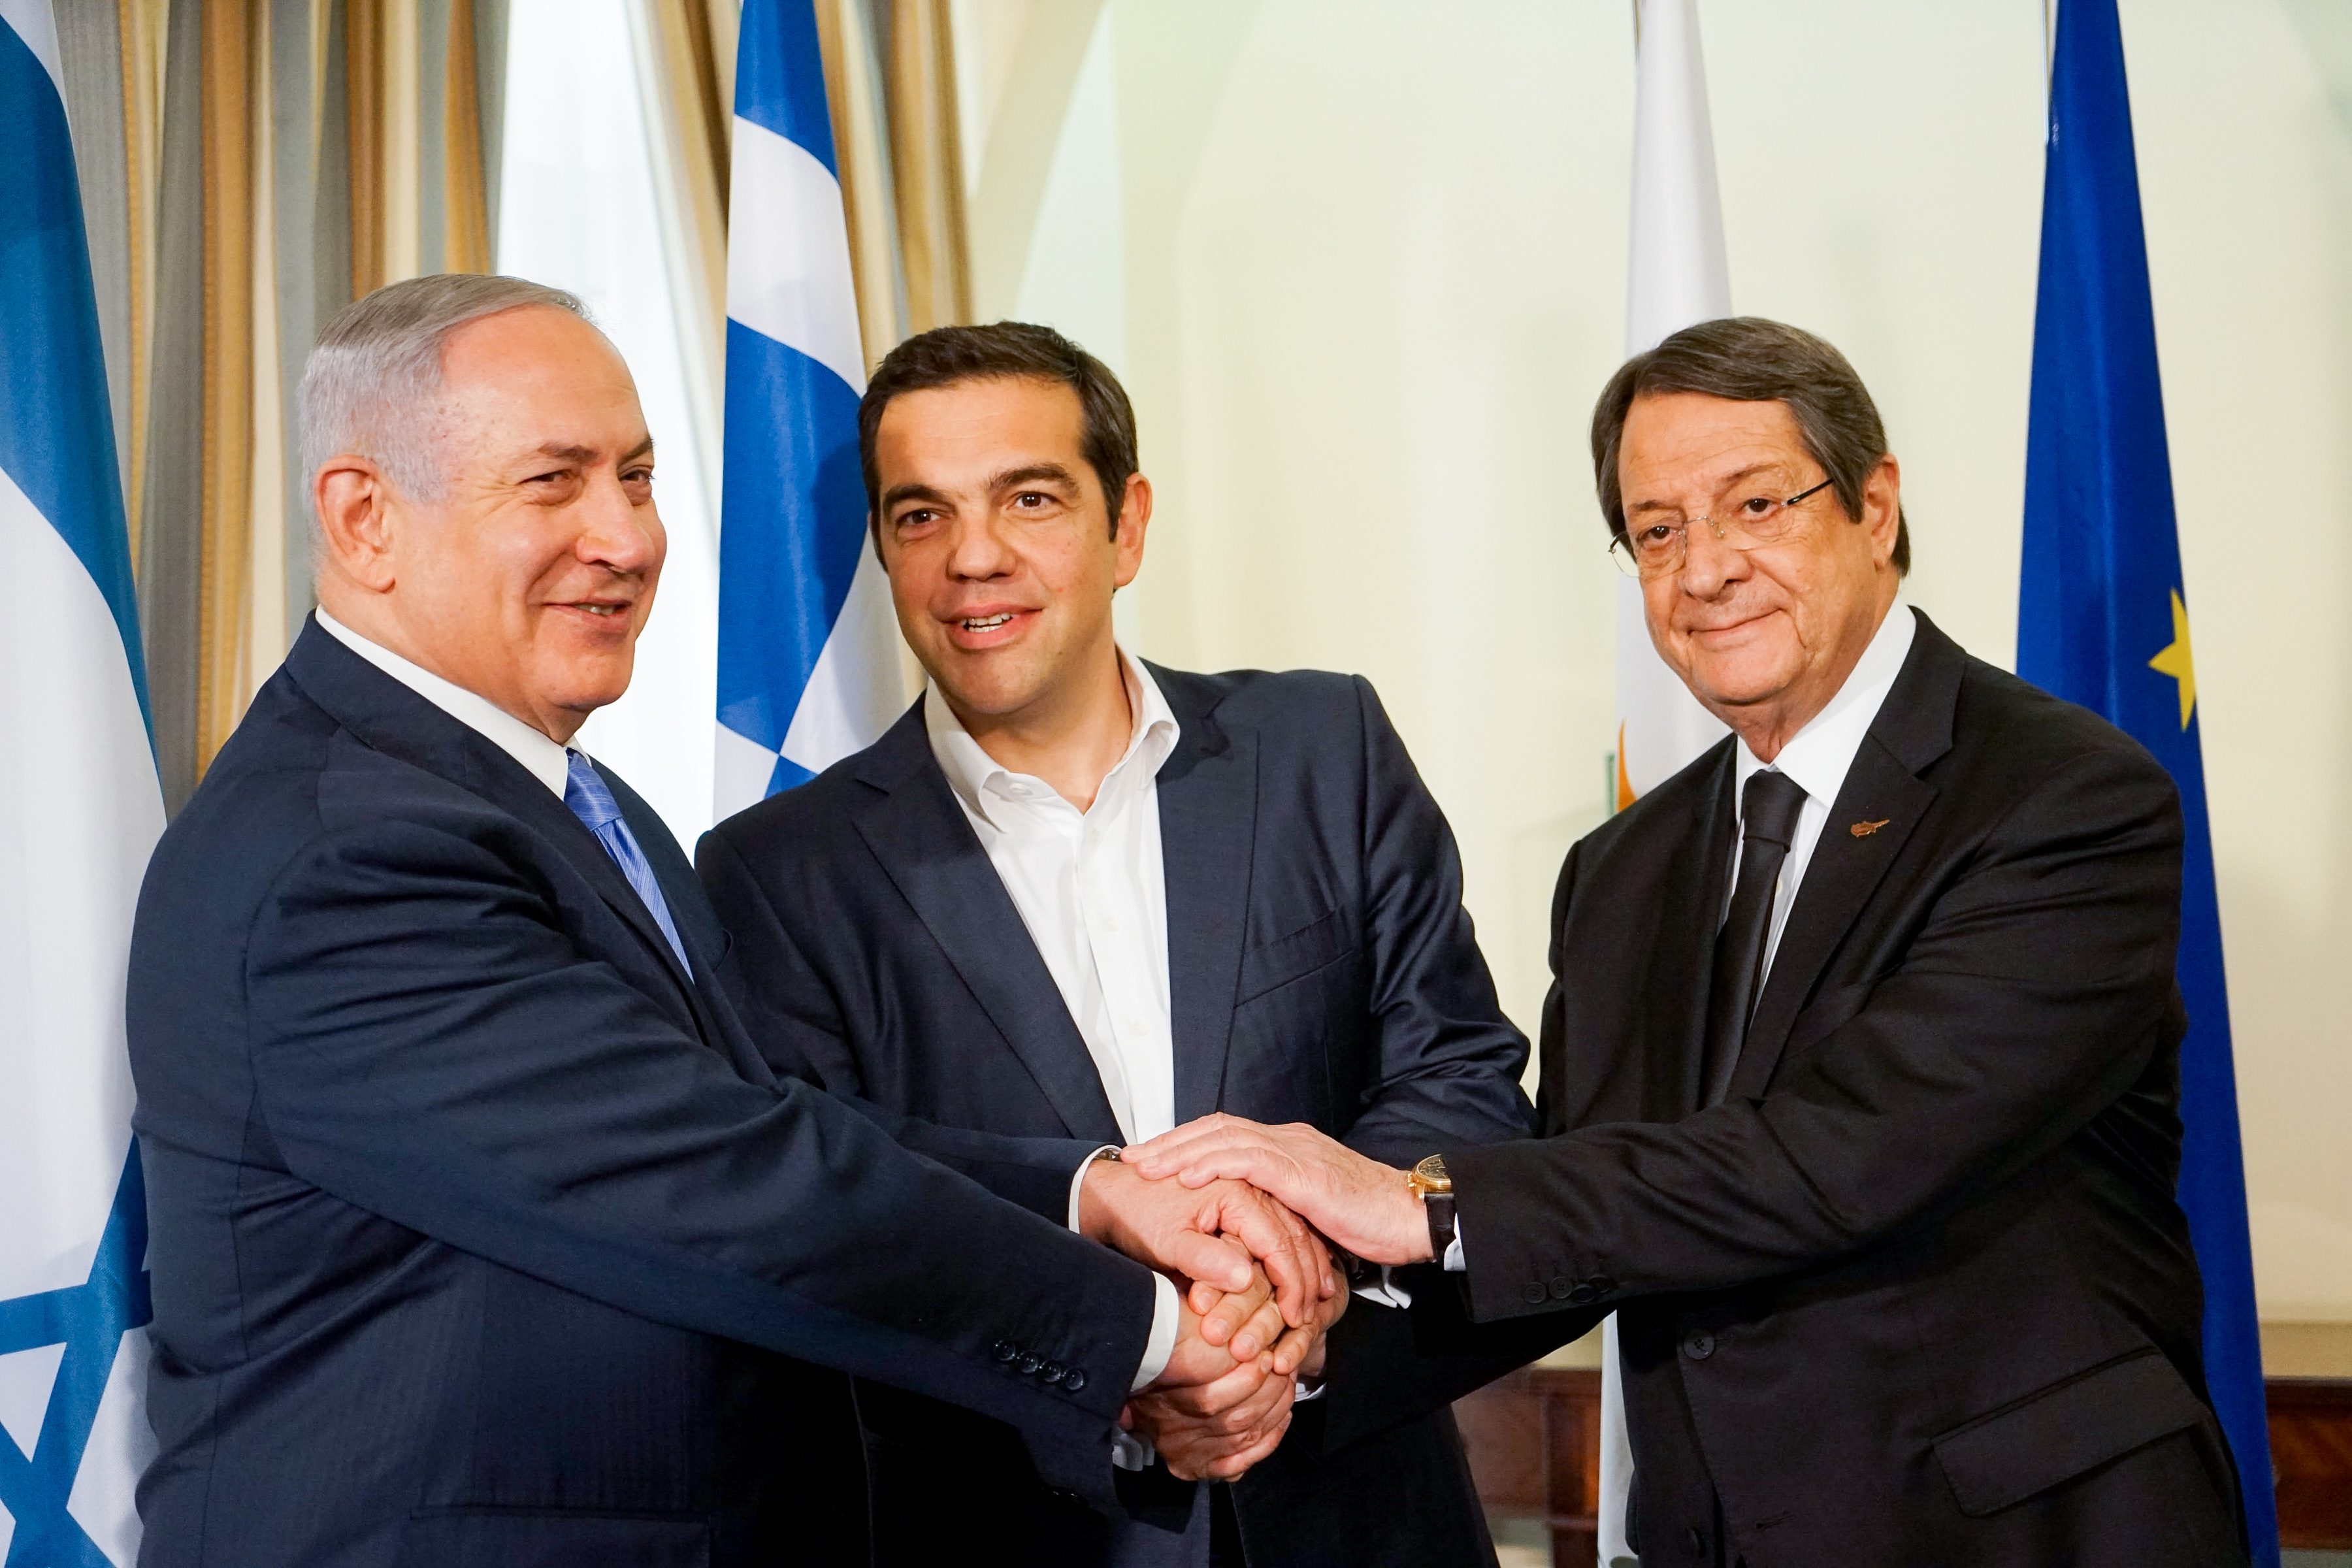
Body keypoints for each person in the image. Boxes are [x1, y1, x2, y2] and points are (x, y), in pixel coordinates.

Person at [125, 274, 1331, 1568]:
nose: (627, 538)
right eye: (555, 483)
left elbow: (750, 1115)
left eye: (638, 478)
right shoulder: (345, 853)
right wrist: (1148, 1336)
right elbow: (726, 1182)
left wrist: (1092, 1194)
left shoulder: (575, 806)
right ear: (366, 520)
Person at [1126, 317, 2247, 1568]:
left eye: (1756, 505)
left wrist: (1417, 1200)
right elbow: (1585, 1213)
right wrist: (1288, 1355)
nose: (1705, 569)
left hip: (2027, 1538)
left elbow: (1849, 1152)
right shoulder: (1625, 870)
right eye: (1657, 531)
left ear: (1875, 506)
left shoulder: (2065, 797)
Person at [698, 321, 1538, 1567]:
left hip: (1364, 1518)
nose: (974, 557)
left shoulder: (1325, 750)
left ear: (1126, 525)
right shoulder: (776, 872)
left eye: (1029, 499)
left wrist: (1291, 1305)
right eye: (922, 515)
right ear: (881, 547)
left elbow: (1462, 1077)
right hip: (1029, 1532)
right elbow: (833, 1212)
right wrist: (1126, 1380)